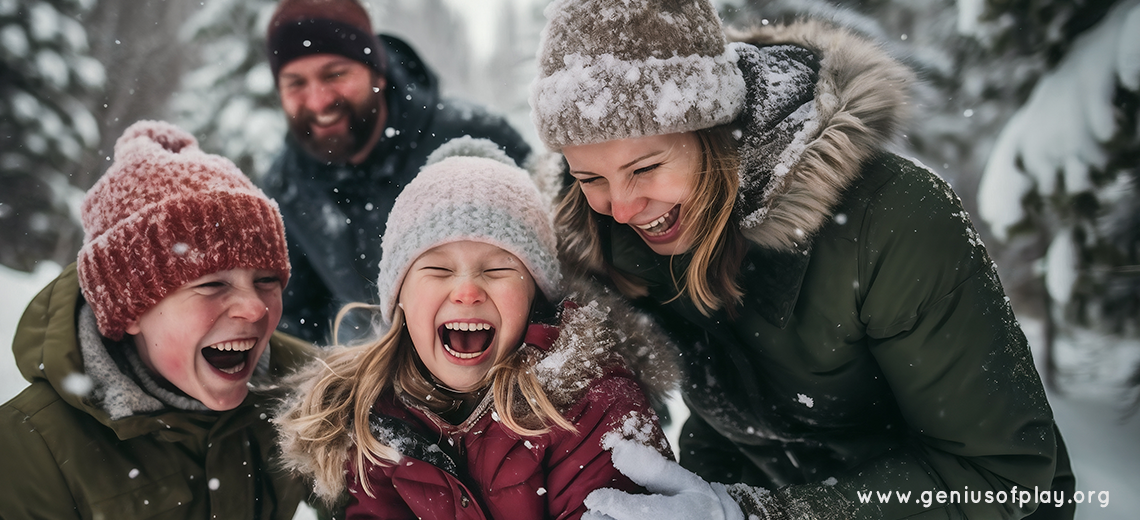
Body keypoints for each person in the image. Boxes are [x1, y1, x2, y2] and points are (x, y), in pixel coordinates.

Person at [529, 1, 1075, 519]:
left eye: (645, 167)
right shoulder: (627, 243)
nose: (621, 207)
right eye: (590, 178)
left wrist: (766, 512)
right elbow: (733, 416)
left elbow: (1003, 472)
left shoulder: (889, 220)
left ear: (712, 134)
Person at [274, 138, 678, 519]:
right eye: (438, 269)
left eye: (497, 269)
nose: (467, 291)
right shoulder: (377, 422)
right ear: (400, 299)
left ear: (534, 296)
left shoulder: (591, 404)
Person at [0, 120, 316, 519]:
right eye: (213, 284)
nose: (255, 309)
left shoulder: (305, 390)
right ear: (130, 308)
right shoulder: (31, 449)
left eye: (267, 280)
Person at [261, 0, 533, 344]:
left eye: (335, 74)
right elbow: (296, 319)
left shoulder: (473, 136)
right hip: (376, 376)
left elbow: (550, 268)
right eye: (295, 83)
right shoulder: (286, 187)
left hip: (488, 359)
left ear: (377, 71)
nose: (318, 100)